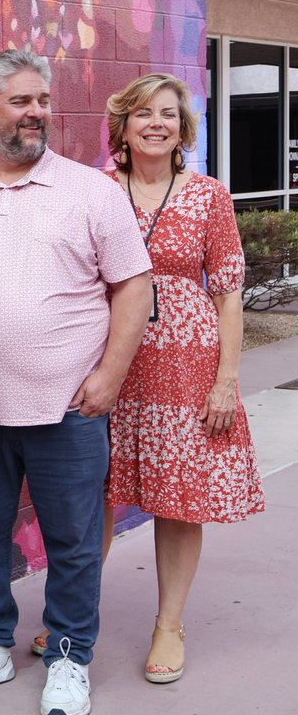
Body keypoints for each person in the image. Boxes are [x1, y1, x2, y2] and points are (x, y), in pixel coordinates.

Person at [0, 49, 153, 715]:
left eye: (43, 101)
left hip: (69, 408)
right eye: (20, 101)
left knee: (75, 542)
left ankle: (68, 655)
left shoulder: (92, 191)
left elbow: (133, 285)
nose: (36, 113)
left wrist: (111, 374)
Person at [100, 72, 264, 683]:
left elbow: (227, 293)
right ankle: (75, 614)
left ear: (182, 128)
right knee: (94, 495)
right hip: (108, 363)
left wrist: (226, 380)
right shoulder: (93, 190)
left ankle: (169, 623)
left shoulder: (208, 196)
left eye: (168, 114)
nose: (155, 124)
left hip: (187, 369)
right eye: (143, 113)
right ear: (122, 124)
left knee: (179, 498)